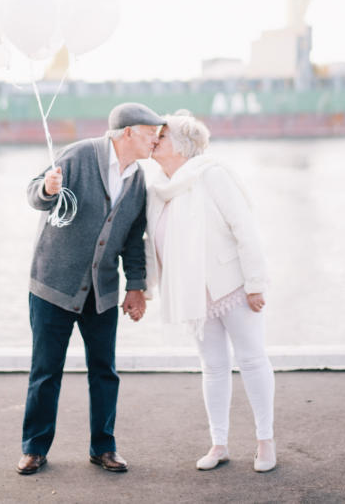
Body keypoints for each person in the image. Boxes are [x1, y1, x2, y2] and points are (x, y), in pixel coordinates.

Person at [16, 102, 164, 476]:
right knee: (46, 371)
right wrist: (48, 189)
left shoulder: (137, 178)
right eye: (151, 133)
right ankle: (34, 448)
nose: (156, 140)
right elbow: (34, 194)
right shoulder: (80, 154)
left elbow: (134, 238)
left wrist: (136, 287)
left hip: (102, 291)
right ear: (127, 132)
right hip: (53, 285)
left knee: (104, 371)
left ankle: (104, 447)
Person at [145, 111, 276, 473]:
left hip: (232, 286)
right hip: (193, 293)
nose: (155, 140)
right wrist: (145, 289)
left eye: (163, 136)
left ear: (184, 146)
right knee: (213, 367)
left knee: (251, 360)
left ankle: (265, 442)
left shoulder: (212, 175)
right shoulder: (157, 188)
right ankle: (219, 444)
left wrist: (255, 284)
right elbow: (151, 243)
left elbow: (245, 229)